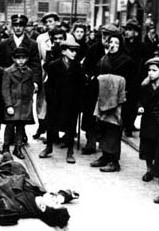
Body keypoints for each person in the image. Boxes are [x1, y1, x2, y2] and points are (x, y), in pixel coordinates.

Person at [0, 153, 78, 228]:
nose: (55, 198)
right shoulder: (42, 198)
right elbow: (59, 197)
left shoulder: (16, 207)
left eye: (55, 203)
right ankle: (6, 157)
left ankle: (0, 159)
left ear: (43, 207)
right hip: (17, 170)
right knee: (8, 157)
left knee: (2, 158)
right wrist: (67, 194)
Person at [90, 33, 132, 173]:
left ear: (121, 46)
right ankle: (104, 155)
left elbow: (129, 82)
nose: (113, 45)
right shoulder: (104, 59)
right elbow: (96, 74)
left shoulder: (127, 61)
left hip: (117, 101)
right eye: (111, 43)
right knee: (102, 126)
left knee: (114, 129)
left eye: (117, 43)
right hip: (103, 99)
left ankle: (114, 160)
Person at [0, 14, 42, 147]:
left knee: (23, 110)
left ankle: (21, 135)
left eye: (21, 26)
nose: (18, 28)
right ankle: (9, 138)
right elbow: (1, 63)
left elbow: (36, 64)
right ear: (12, 27)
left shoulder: (32, 44)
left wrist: (35, 81)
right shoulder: (4, 43)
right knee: (9, 110)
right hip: (10, 80)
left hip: (25, 81)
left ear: (25, 27)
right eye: (15, 26)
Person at [39, 37, 84, 164]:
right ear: (64, 51)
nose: (74, 53)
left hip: (71, 102)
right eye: (71, 50)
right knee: (51, 124)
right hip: (56, 101)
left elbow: (81, 86)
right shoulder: (54, 65)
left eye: (76, 51)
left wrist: (79, 103)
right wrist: (50, 98)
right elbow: (48, 84)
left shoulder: (78, 67)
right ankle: (48, 148)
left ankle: (70, 151)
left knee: (70, 126)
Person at [81, 24, 120, 155]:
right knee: (90, 115)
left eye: (109, 36)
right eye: (104, 35)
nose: (106, 38)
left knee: (107, 117)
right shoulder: (94, 49)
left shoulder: (119, 52)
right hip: (94, 88)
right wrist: (92, 76)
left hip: (110, 91)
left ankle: (105, 145)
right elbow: (86, 67)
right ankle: (90, 141)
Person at [2, 47, 39, 159]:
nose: (21, 61)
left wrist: (31, 95)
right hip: (13, 103)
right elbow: (5, 89)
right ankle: (6, 147)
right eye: (18, 58)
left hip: (24, 104)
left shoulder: (29, 72)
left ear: (27, 59)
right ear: (14, 59)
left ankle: (18, 147)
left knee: (21, 126)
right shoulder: (8, 72)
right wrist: (8, 105)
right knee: (9, 126)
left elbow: (30, 87)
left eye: (23, 58)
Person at [138, 57, 159, 186]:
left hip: (158, 121)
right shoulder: (145, 85)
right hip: (148, 120)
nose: (150, 73)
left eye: (154, 70)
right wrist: (139, 106)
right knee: (147, 146)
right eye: (149, 70)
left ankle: (156, 169)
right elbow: (138, 98)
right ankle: (149, 169)